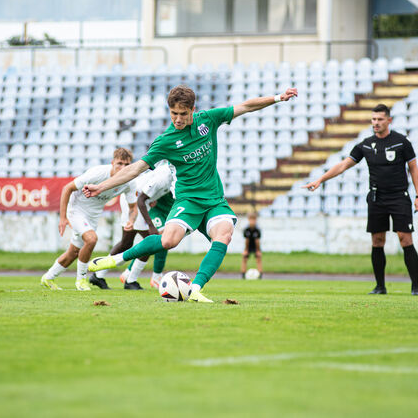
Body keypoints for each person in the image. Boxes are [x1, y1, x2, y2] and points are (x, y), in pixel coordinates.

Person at [85, 84, 298, 303]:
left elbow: (245, 106)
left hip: (214, 200)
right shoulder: (166, 141)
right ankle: (116, 260)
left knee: (224, 235)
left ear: (193, 110)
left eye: (183, 114)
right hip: (187, 200)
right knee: (168, 241)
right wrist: (102, 187)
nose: (177, 119)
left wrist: (278, 98)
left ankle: (195, 288)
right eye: (173, 113)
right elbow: (135, 168)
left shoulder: (208, 120)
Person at [304, 104, 418, 295]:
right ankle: (380, 286)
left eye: (380, 119)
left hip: (399, 197)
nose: (376, 123)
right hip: (376, 198)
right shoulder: (366, 144)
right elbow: (343, 165)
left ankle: (415, 287)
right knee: (377, 241)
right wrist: (320, 179)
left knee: (405, 239)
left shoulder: (402, 142)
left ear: (389, 120)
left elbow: (414, 168)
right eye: (373, 119)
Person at [40, 148, 137, 291]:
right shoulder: (98, 173)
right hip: (77, 209)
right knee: (91, 239)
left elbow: (133, 207)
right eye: (119, 164)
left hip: (93, 215)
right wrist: (63, 218)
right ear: (112, 163)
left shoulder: (129, 181)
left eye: (127, 165)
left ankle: (48, 278)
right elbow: (67, 188)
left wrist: (131, 220)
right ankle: (81, 281)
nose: (123, 168)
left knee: (73, 252)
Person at [90, 161, 177, 290]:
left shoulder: (171, 174)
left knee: (126, 243)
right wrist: (151, 225)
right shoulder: (164, 176)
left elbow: (148, 192)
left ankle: (98, 275)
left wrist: (153, 198)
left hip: (135, 200)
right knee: (150, 242)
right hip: (134, 201)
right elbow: (141, 199)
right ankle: (130, 280)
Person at [241, 212, 262, 278]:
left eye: (254, 220)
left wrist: (258, 250)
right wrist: (246, 250)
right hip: (248, 246)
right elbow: (247, 240)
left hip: (256, 246)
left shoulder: (257, 229)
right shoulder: (247, 229)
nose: (252, 221)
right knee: (244, 258)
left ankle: (260, 275)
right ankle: (243, 275)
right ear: (248, 220)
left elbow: (257, 241)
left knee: (258, 258)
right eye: (251, 219)